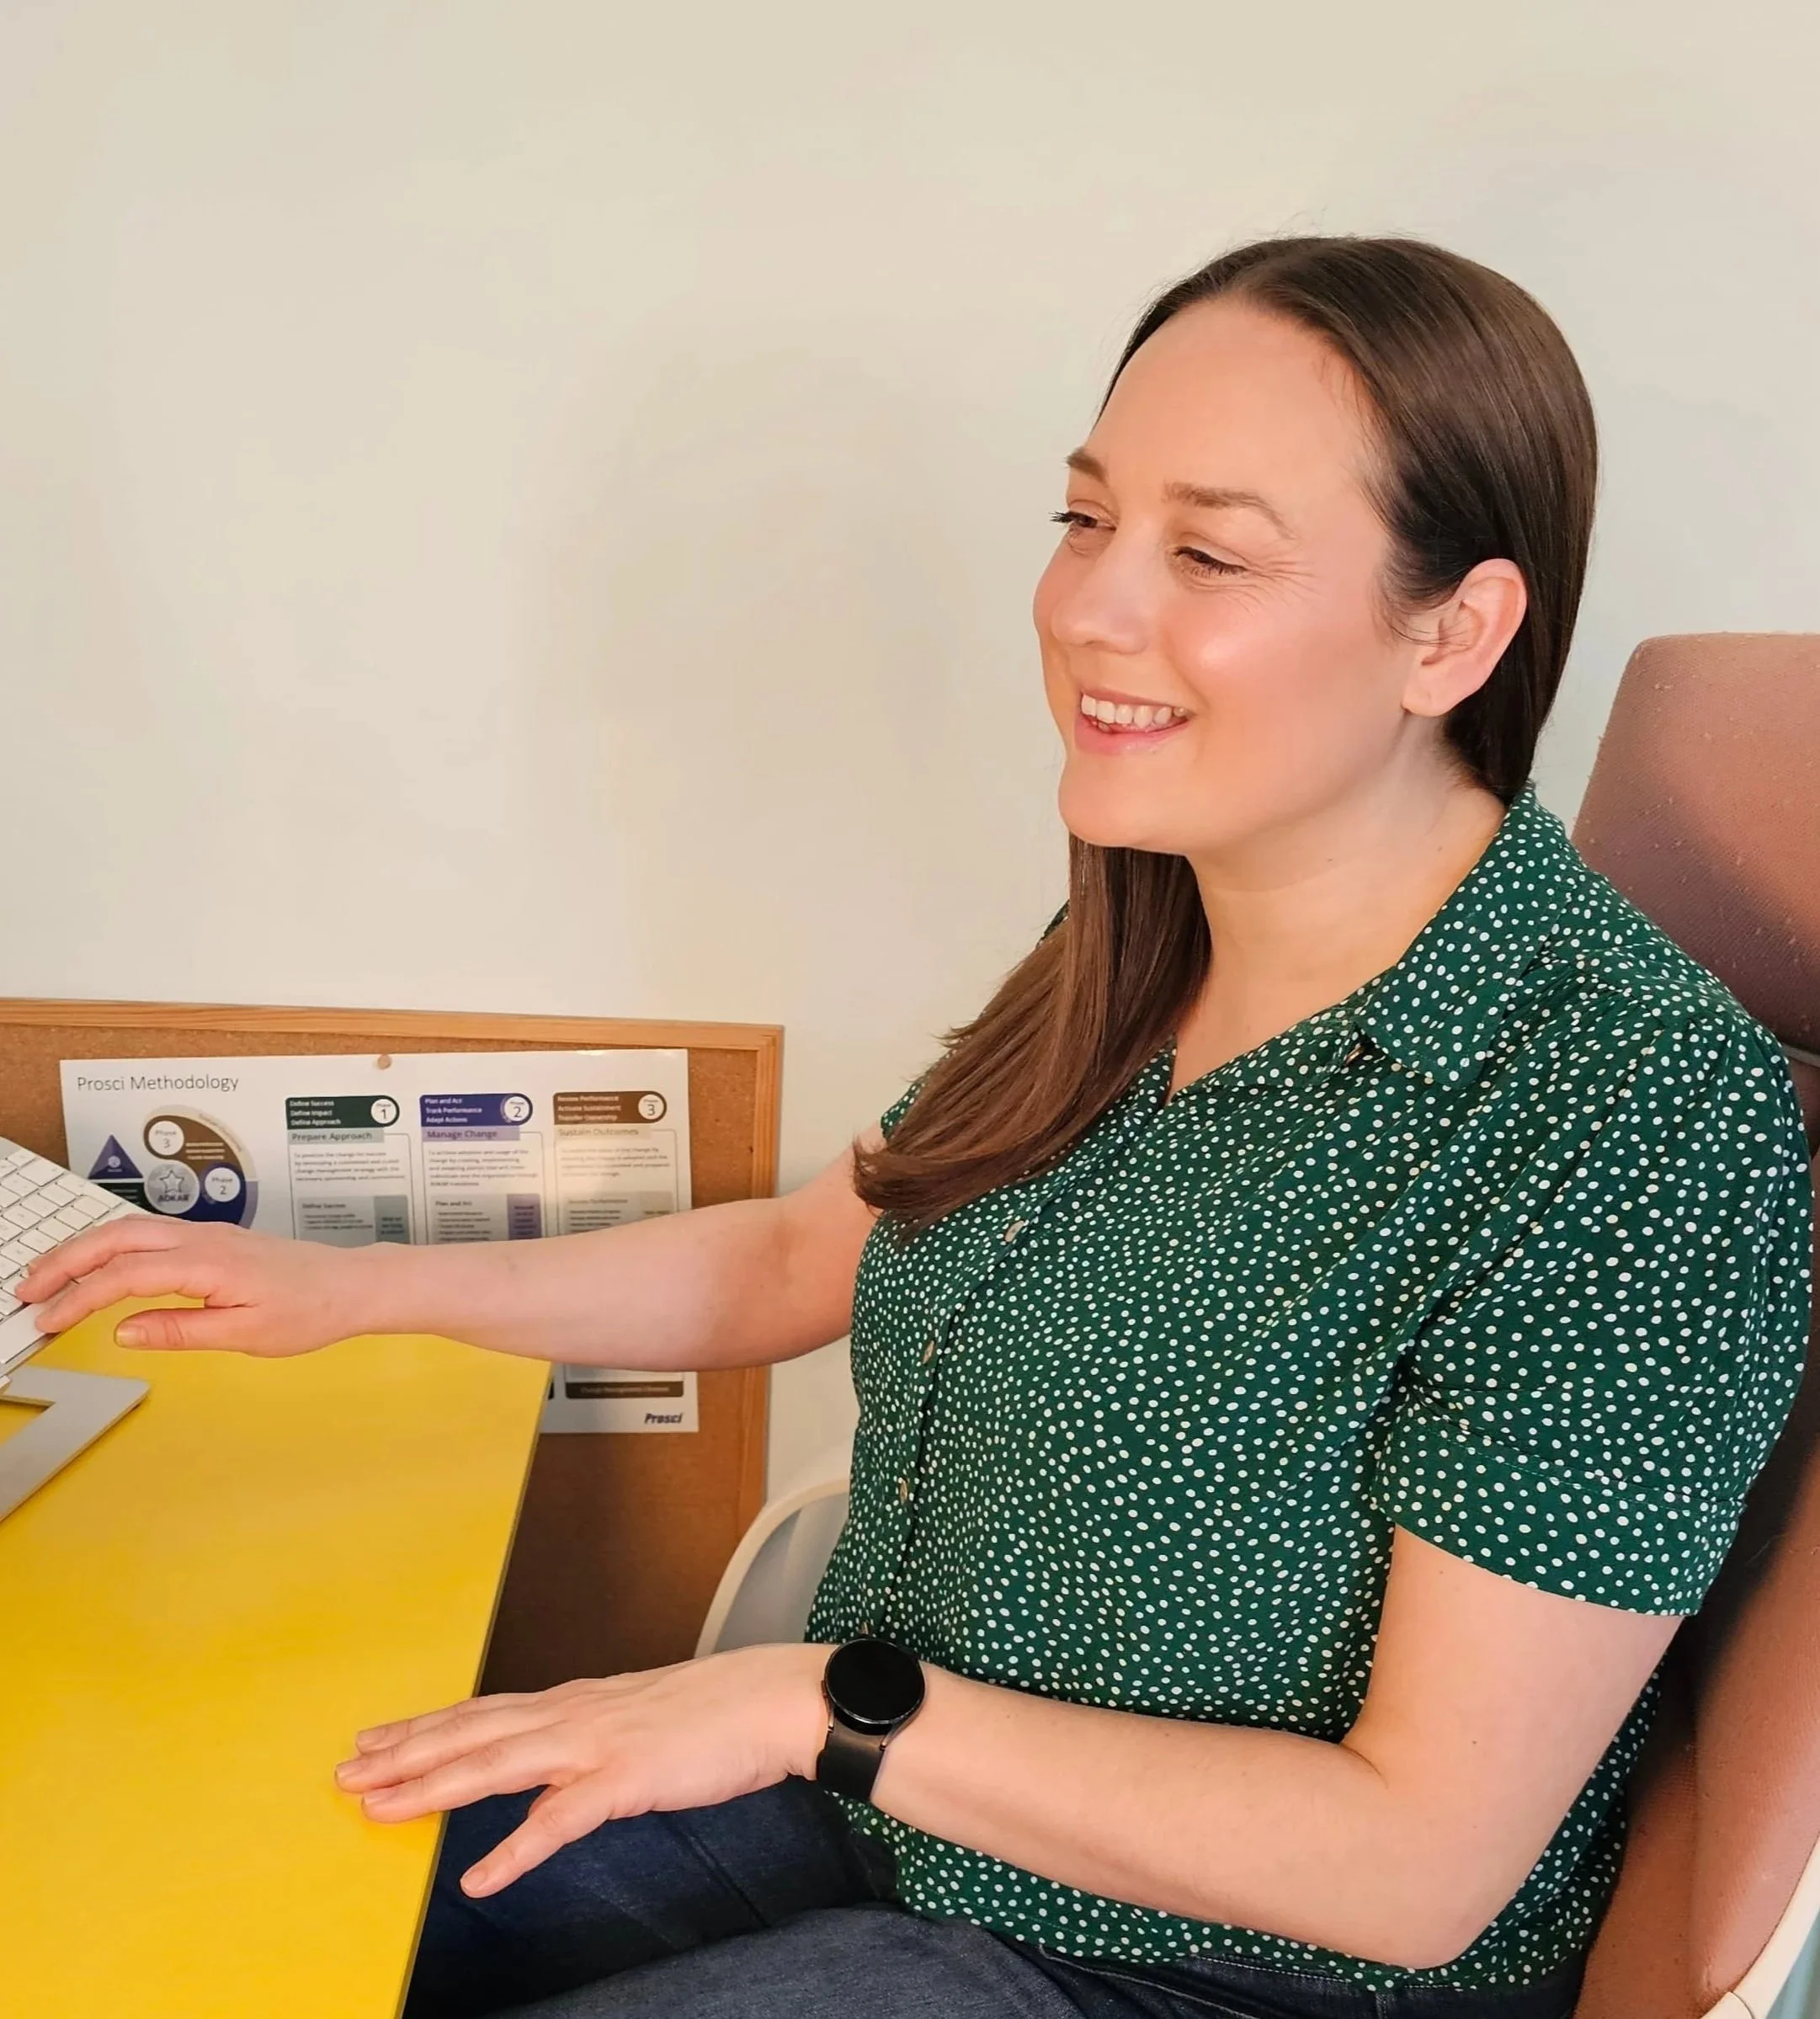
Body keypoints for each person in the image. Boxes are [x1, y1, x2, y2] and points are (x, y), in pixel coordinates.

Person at [22, 235, 1812, 2019]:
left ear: (1453, 629)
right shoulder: (1153, 922)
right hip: (901, 1814)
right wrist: (348, 1286)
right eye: (1083, 518)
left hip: (1226, 1962)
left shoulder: (1635, 1120)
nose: (1088, 606)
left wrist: (817, 1705)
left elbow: (1417, 1865)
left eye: (1204, 551)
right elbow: (813, 1249)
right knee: (208, 1898)